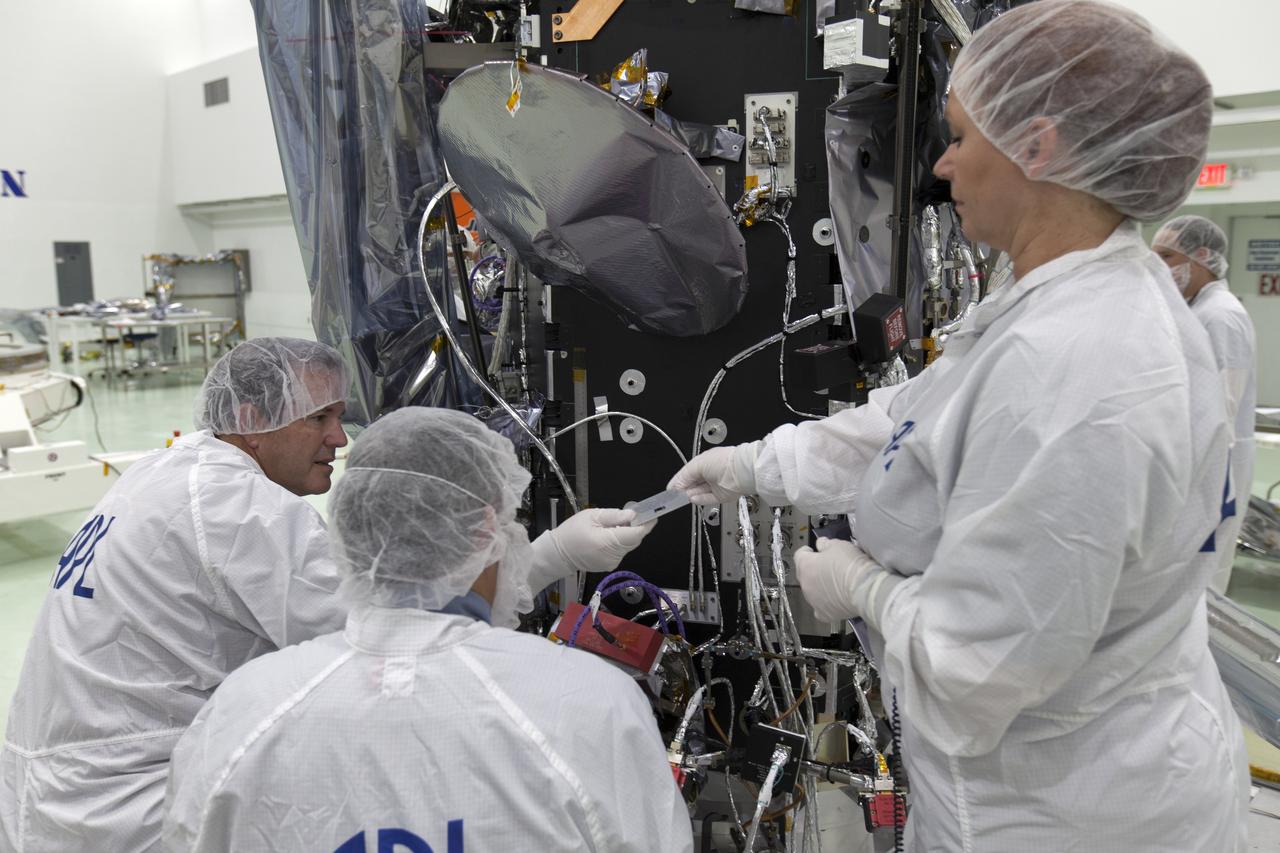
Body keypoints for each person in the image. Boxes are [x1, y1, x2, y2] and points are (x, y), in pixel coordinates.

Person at [670, 2, 1249, 850]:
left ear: (1038, 147)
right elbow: (914, 420)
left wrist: (860, 588)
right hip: (1046, 782)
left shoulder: (1080, 365)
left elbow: (980, 670)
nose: (942, 165)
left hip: (1068, 812)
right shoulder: (1057, 305)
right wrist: (756, 464)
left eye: (960, 137)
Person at [1, 338, 651, 853]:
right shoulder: (236, 507)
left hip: (58, 791)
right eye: (320, 417)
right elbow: (391, 633)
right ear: (252, 420)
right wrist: (552, 554)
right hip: (126, 810)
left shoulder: (172, 472)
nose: (340, 438)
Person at [162, 407, 693, 853]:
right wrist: (552, 552)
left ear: (352, 526)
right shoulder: (590, 702)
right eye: (510, 523)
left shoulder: (243, 710)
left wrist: (555, 553)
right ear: (485, 531)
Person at [1153, 214, 1257, 592]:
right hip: (1197, 464)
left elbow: (1221, 408)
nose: (1159, 268)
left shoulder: (1221, 315)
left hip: (1213, 468)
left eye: (1167, 257)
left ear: (1201, 257)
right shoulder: (1199, 309)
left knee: (1201, 579)